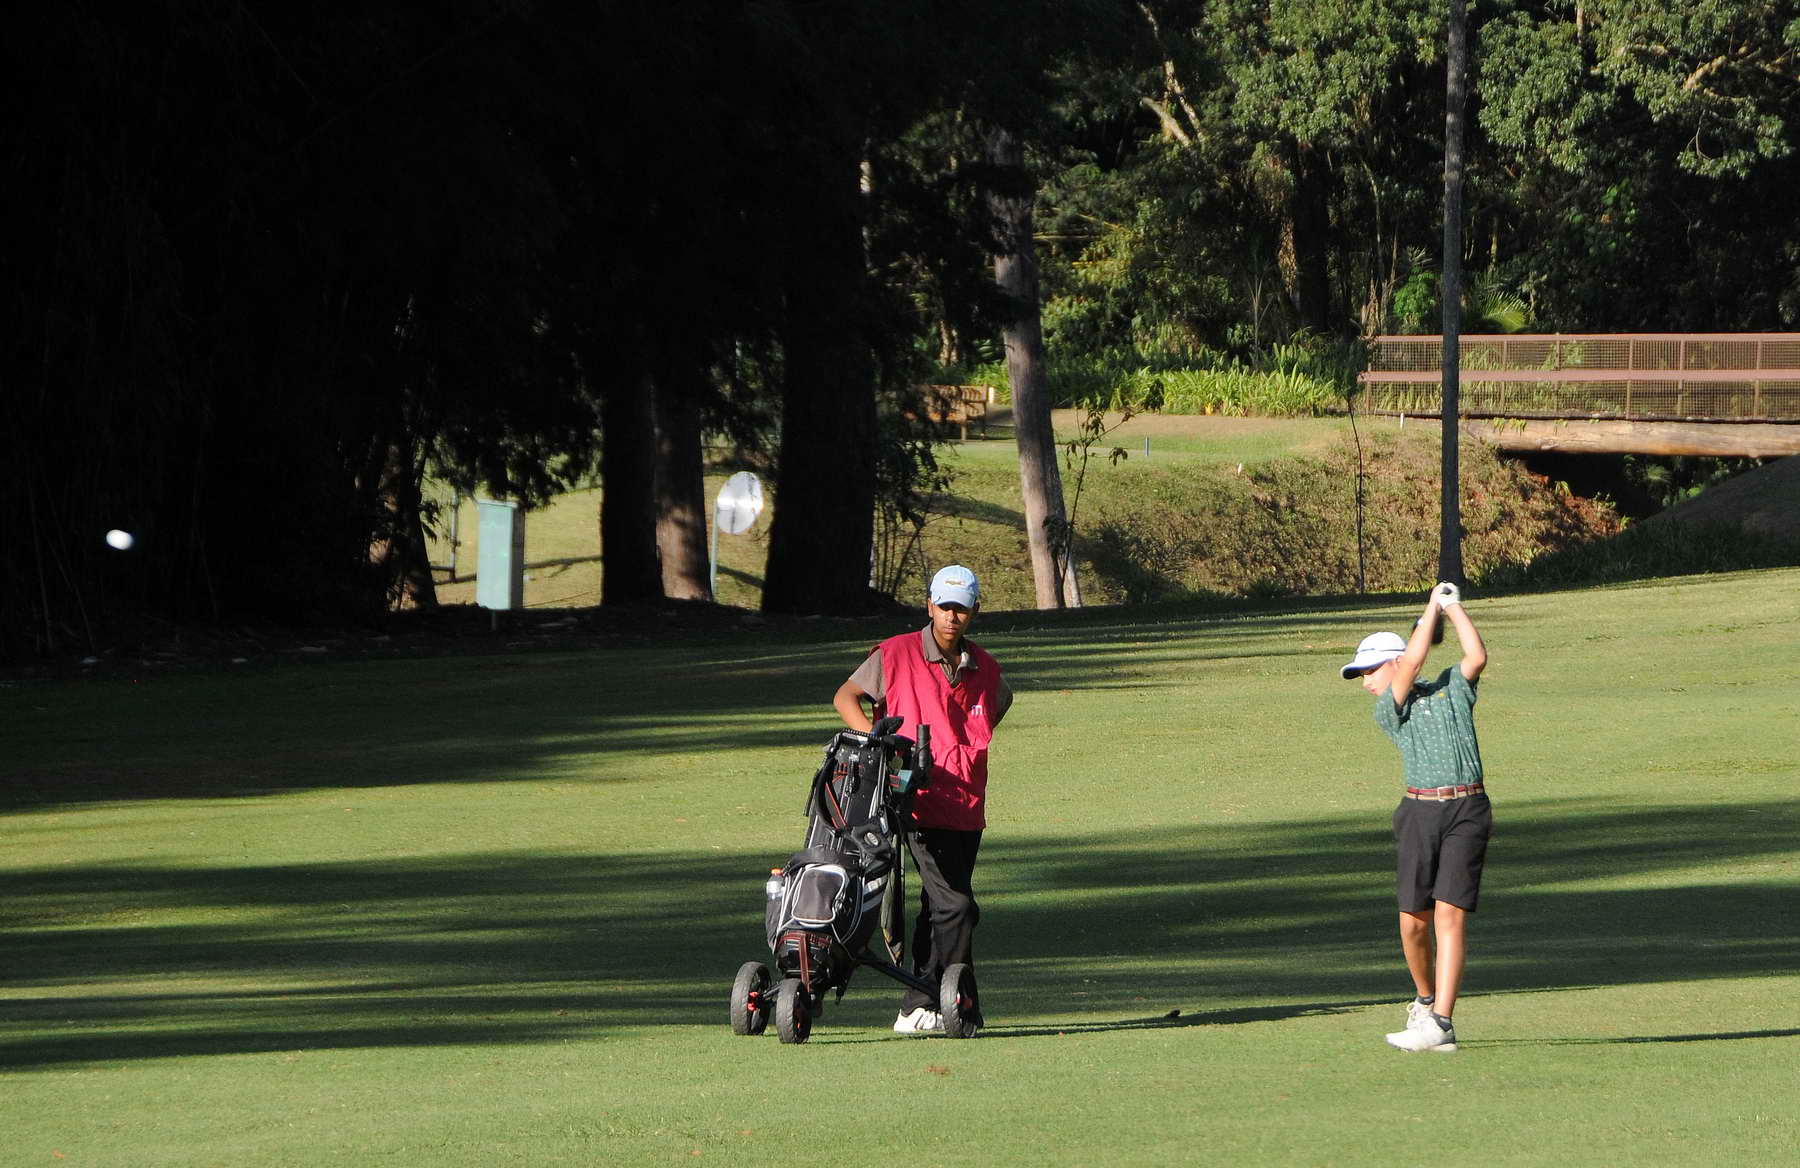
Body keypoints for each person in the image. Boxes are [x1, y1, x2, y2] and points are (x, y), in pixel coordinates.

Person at [833, 564, 1012, 1035]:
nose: (952, 616)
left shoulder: (985, 666)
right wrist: (877, 740)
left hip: (965, 801)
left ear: (975, 610)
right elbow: (846, 697)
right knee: (957, 906)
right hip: (911, 798)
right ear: (929, 605)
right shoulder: (895, 653)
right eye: (944, 606)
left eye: (961, 608)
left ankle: (923, 1006)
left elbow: (998, 704)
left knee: (941, 907)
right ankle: (947, 1003)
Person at [1340, 581, 1490, 1053]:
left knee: (1450, 914)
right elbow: (1412, 666)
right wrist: (1431, 608)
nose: (1365, 681)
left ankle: (1441, 1022)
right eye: (1360, 674)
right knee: (1413, 922)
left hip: (1467, 808)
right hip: (1419, 813)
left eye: (1369, 670)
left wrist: (1452, 607)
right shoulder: (1389, 710)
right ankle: (1425, 1003)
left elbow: (1476, 656)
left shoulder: (1452, 688)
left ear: (1393, 661)